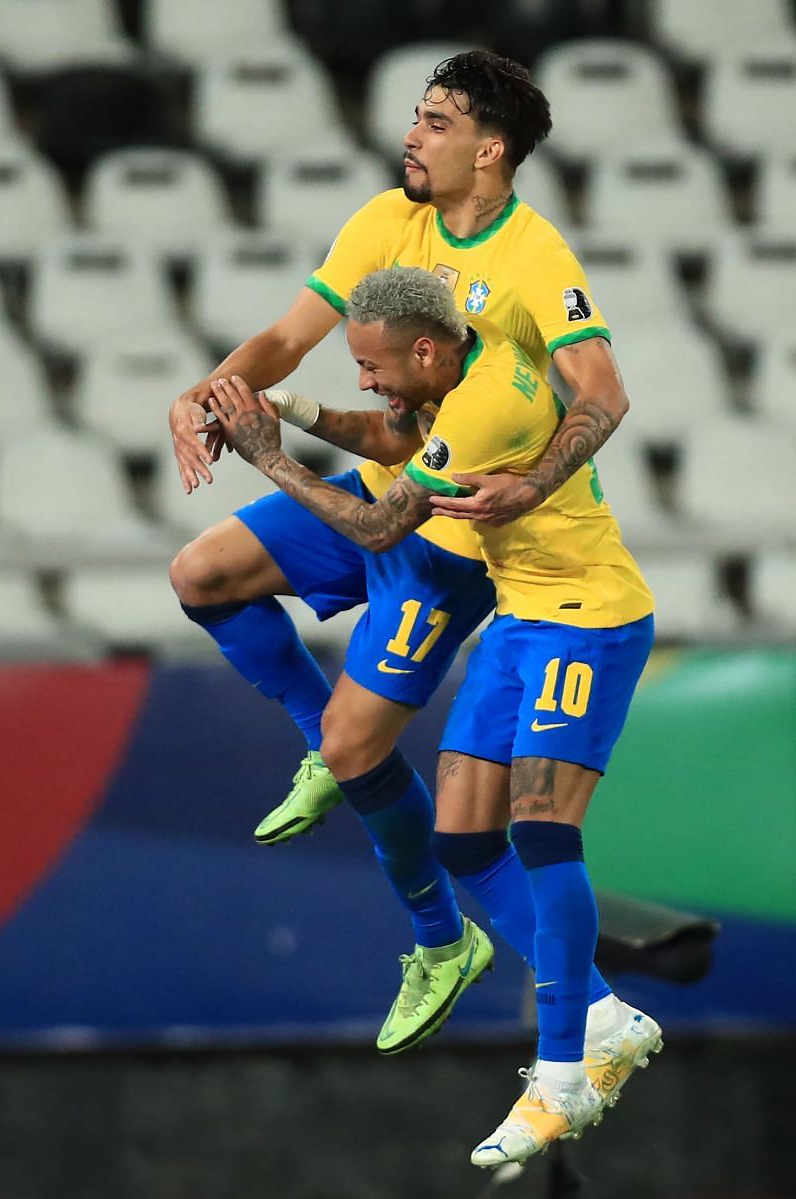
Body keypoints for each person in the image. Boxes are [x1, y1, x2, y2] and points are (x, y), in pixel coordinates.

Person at [168, 50, 631, 1056]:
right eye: (414, 118)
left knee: (357, 745)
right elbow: (287, 340)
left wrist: (529, 483)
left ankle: (440, 940)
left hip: (449, 542)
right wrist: (212, 387)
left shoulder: (534, 261)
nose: (410, 135)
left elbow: (602, 394)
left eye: (432, 121)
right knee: (199, 574)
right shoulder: (388, 221)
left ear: (488, 148)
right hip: (384, 479)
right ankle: (322, 746)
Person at [205, 266, 662, 1162]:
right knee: (464, 840)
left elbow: (380, 528)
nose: (366, 379)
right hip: (521, 615)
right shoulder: (461, 368)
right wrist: (294, 404)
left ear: (424, 347)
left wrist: (268, 453)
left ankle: (564, 1072)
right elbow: (393, 431)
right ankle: (607, 1014)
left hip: (587, 617)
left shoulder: (489, 399)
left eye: (372, 364)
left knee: (540, 828)